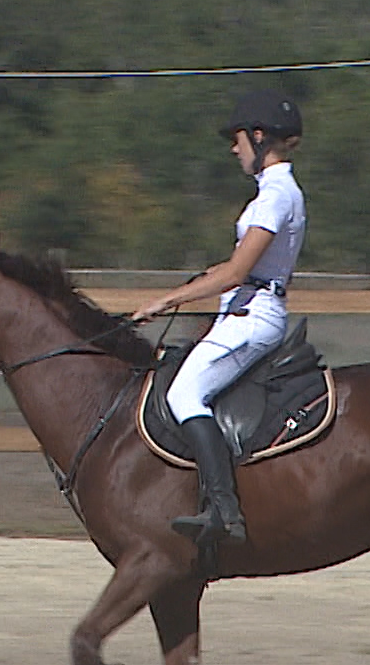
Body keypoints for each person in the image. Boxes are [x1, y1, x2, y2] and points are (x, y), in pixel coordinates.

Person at [130, 88, 306, 548]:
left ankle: (224, 510)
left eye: (238, 139)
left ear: (260, 137)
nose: (234, 148)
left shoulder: (275, 197)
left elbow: (237, 271)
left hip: (253, 315)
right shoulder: (273, 193)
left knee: (185, 393)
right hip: (244, 308)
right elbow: (233, 270)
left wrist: (167, 300)